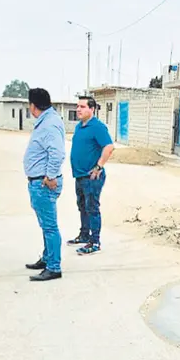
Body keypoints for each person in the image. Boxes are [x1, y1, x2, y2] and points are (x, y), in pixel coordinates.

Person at [23, 87, 66, 282]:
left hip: (43, 183)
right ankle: (48, 258)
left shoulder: (49, 124)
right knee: (45, 225)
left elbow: (57, 153)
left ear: (33, 106)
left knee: (50, 227)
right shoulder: (47, 121)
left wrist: (49, 176)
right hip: (39, 181)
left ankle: (54, 267)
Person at [68, 95, 114, 255]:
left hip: (92, 177)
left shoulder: (97, 127)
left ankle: (95, 242)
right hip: (79, 175)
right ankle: (84, 235)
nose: (78, 109)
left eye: (82, 107)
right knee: (82, 206)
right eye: (78, 106)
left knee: (92, 208)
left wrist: (98, 166)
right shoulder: (79, 127)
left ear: (92, 109)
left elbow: (108, 147)